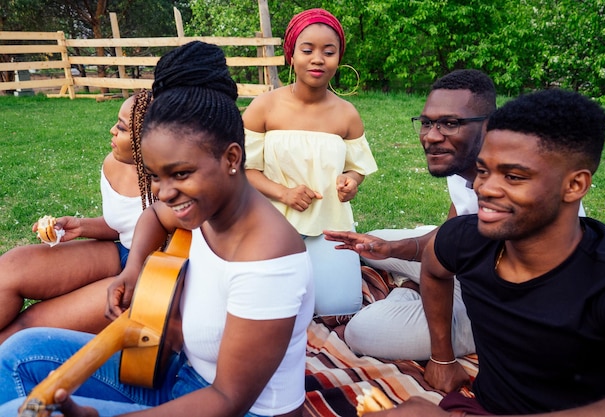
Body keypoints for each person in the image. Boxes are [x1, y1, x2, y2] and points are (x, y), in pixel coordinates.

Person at [0, 41, 314, 417]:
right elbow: (153, 216)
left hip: (232, 408)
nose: (164, 193)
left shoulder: (268, 259)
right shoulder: (206, 209)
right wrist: (133, 271)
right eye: (155, 177)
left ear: (232, 158)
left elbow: (228, 400)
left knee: (18, 409)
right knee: (20, 352)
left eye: (180, 174)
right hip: (183, 376)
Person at [376, 89, 605, 416]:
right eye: (483, 171)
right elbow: (434, 270)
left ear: (574, 185)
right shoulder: (469, 239)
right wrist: (442, 356)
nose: (485, 189)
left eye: (513, 176)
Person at [324, 69, 497, 360]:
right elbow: (450, 233)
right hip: (460, 269)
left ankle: (410, 293)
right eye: (427, 122)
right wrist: (389, 248)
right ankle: (417, 287)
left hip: (489, 303)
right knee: (372, 245)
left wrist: (443, 358)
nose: (431, 136)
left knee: (362, 331)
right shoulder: (461, 166)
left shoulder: (513, 185)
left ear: (490, 126)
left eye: (450, 124)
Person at [242, 8, 378, 317]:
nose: (318, 59)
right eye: (308, 50)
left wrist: (352, 182)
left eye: (328, 52)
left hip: (330, 223)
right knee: (269, 307)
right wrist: (284, 193)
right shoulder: (263, 108)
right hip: (271, 222)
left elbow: (358, 166)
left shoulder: (347, 114)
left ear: (338, 59)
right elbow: (243, 171)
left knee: (338, 308)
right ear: (291, 55)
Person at [0, 89, 153, 344]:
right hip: (124, 253)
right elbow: (126, 226)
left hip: (155, 274)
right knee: (9, 270)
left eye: (122, 128)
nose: (112, 131)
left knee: (24, 330)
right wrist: (79, 226)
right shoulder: (113, 164)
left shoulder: (176, 182)